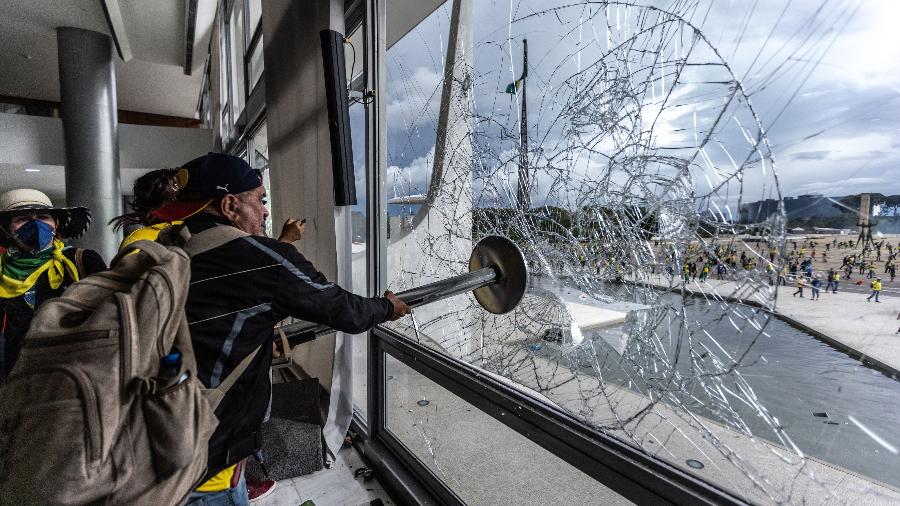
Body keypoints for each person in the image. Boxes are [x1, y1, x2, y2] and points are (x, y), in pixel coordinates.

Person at [150, 153, 409, 505]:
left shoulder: (162, 251)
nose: (266, 212)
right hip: (205, 466)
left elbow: (203, 329)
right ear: (230, 206)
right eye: (260, 200)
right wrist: (387, 307)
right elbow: (345, 311)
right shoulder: (260, 259)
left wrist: (253, 339)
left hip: (152, 444)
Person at [0, 189, 106, 380]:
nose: (35, 224)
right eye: (22, 219)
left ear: (56, 224)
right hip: (12, 378)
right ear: (7, 229)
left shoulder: (83, 261)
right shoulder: (2, 270)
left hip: (73, 376)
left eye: (43, 217)